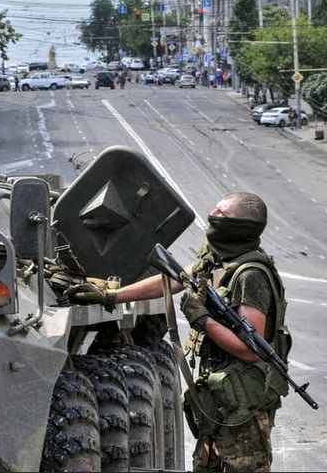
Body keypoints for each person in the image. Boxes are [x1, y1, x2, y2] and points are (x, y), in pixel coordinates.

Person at [66, 192, 288, 472]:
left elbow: (249, 349)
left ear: (242, 226)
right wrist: (112, 296)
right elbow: (171, 280)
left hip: (242, 403)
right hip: (221, 394)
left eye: (223, 214)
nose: (213, 216)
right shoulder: (218, 262)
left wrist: (203, 319)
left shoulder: (249, 275)